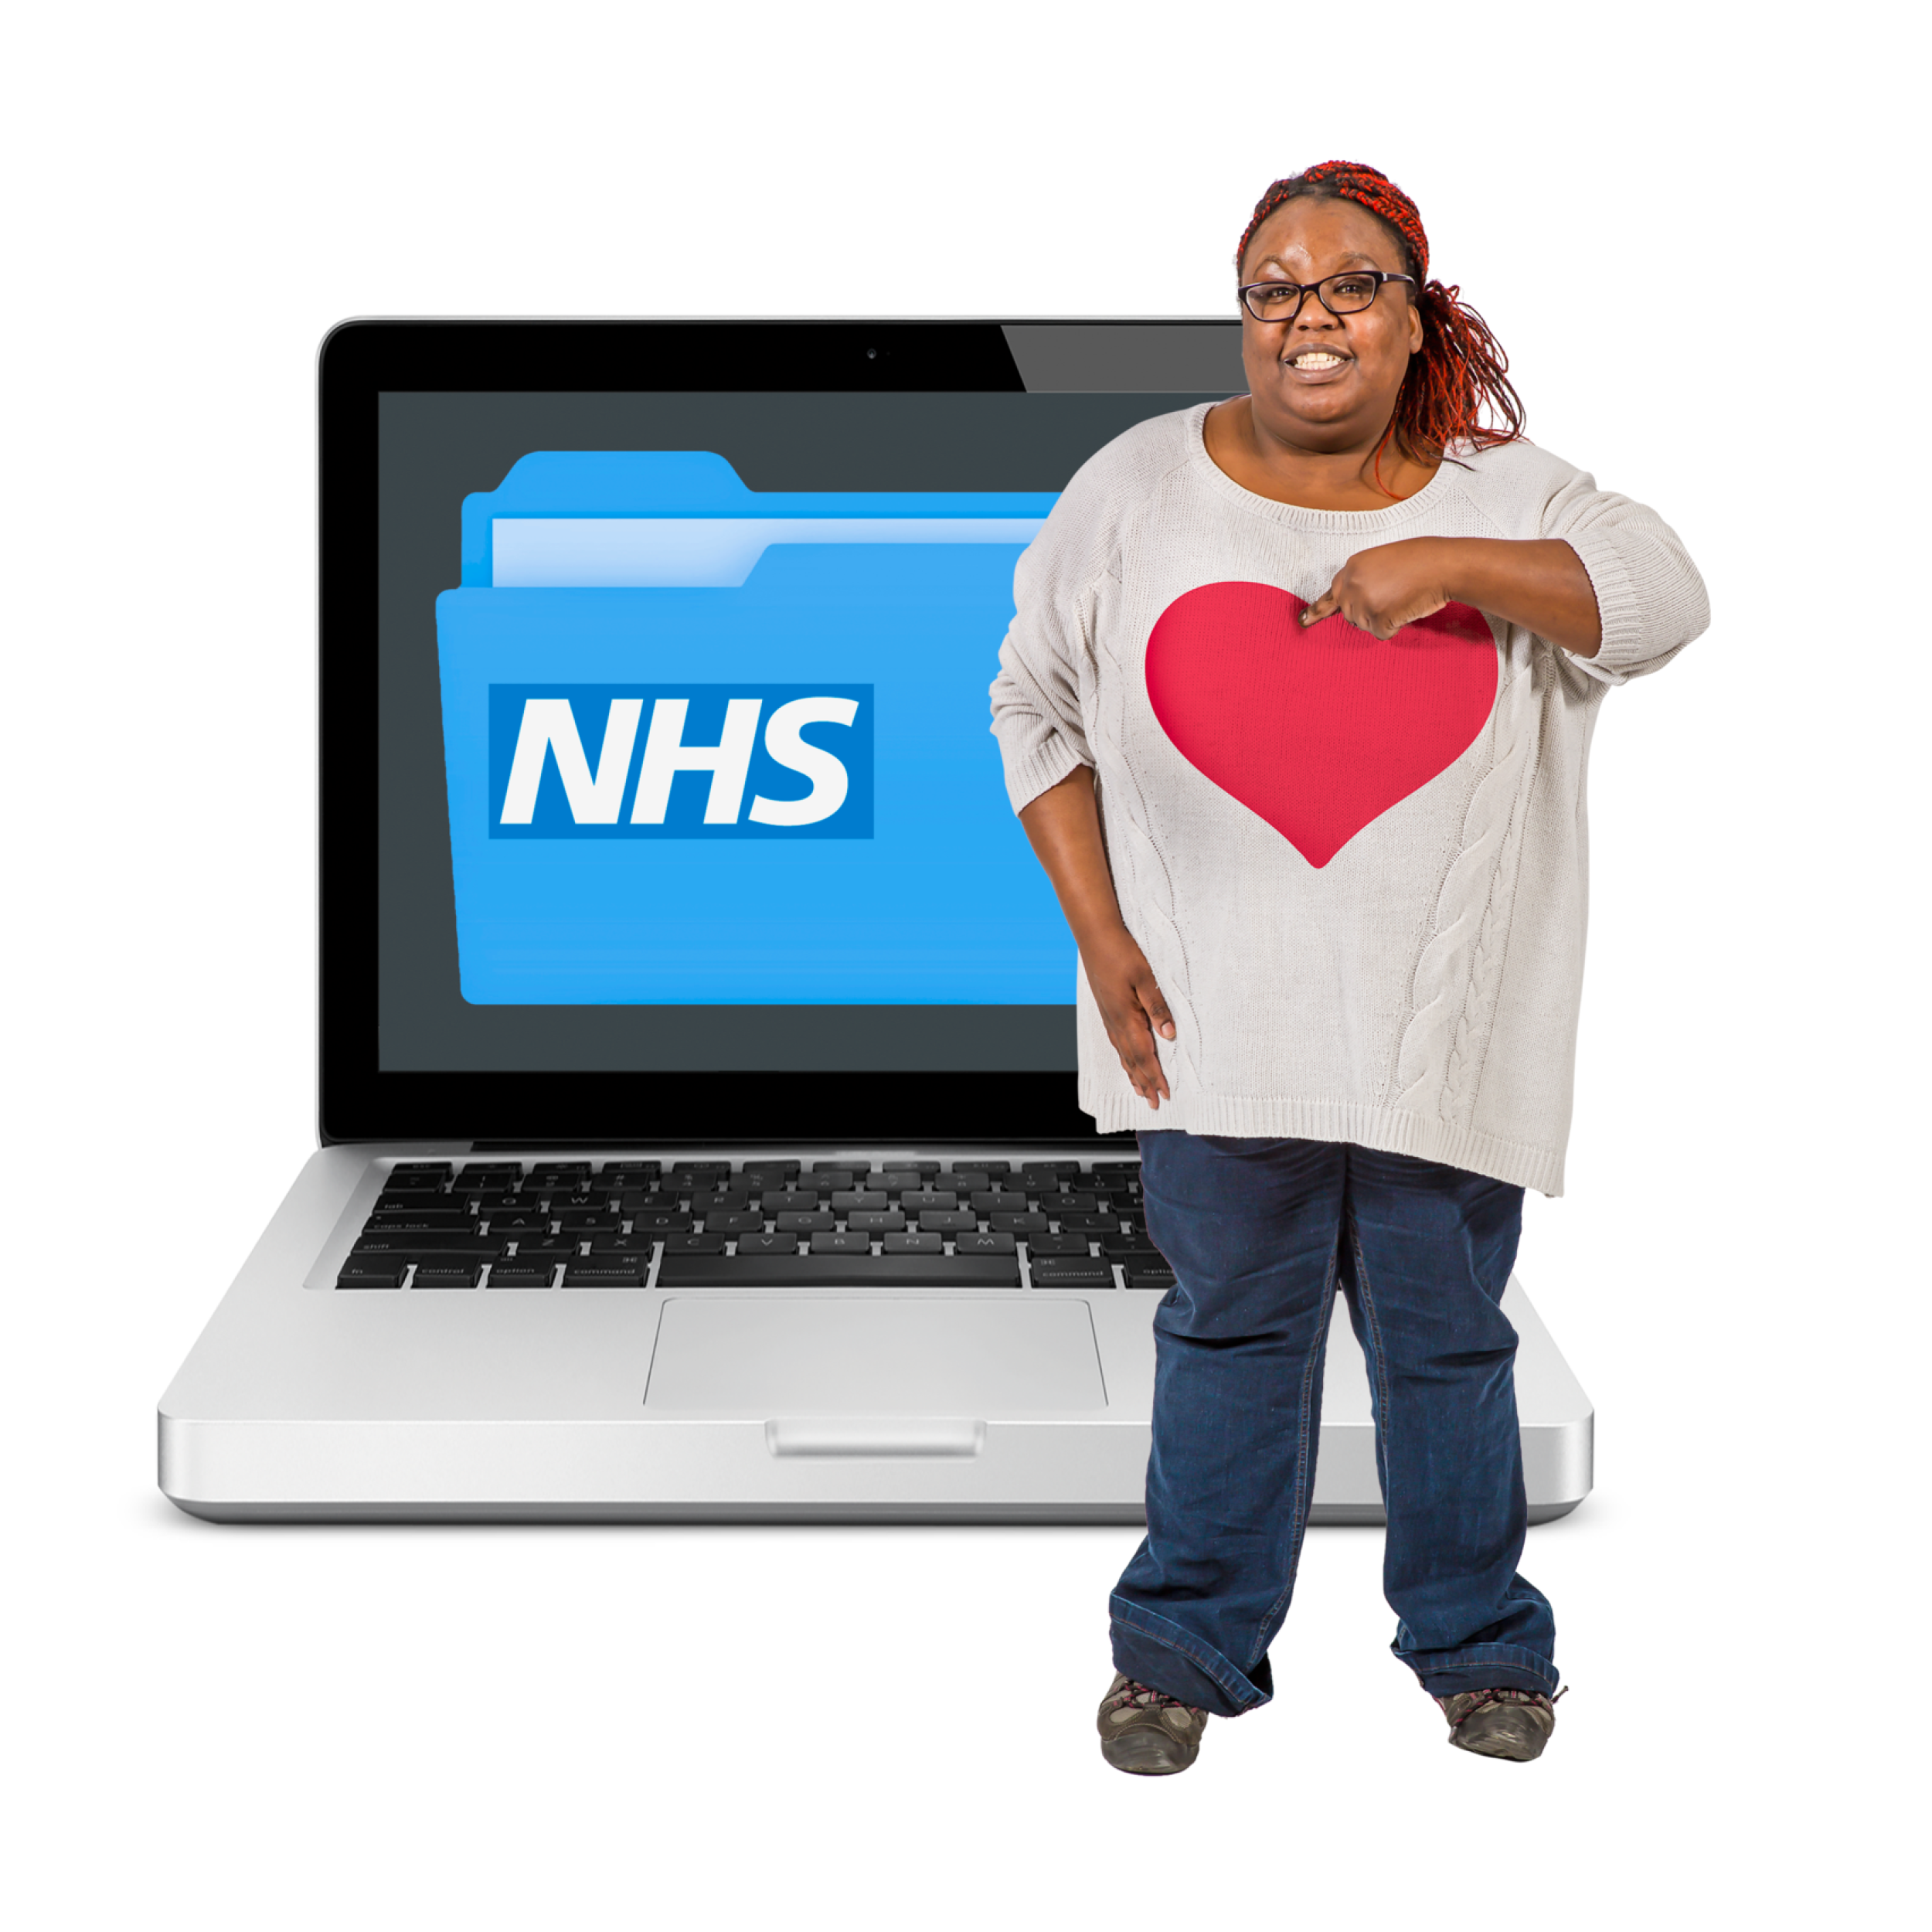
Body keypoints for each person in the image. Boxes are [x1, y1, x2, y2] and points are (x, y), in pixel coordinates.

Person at [988, 161, 1709, 1774]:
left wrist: (1451, 562)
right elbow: (1031, 706)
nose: (1305, 318)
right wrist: (1098, 934)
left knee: (1445, 1343)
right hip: (1208, 1031)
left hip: (1431, 1039)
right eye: (1271, 288)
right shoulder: (1132, 486)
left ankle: (1476, 1648)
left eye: (1345, 285)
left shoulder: (1507, 484)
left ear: (1412, 307)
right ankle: (1176, 1646)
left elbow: (1663, 601)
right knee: (1227, 1338)